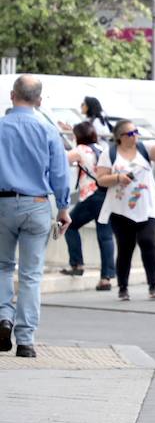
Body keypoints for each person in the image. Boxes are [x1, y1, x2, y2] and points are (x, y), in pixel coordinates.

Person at [0, 76, 72, 358]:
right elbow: (60, 174)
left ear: (11, 95)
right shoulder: (48, 130)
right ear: (40, 101)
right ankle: (26, 341)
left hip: (2, 204)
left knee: (3, 266)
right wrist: (64, 208)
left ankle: (3, 317)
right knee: (31, 275)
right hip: (38, 205)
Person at [95, 120, 155, 300]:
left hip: (147, 206)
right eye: (130, 134)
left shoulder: (143, 149)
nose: (135, 136)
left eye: (136, 132)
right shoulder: (109, 154)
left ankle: (153, 285)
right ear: (119, 137)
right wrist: (118, 177)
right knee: (125, 247)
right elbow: (101, 179)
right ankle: (123, 287)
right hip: (121, 208)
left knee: (147, 241)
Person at [60, 121, 116, 290]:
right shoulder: (101, 148)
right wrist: (72, 132)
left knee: (69, 225)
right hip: (108, 195)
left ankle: (77, 265)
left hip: (92, 197)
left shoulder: (80, 150)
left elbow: (63, 159)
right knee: (105, 236)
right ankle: (106, 278)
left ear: (79, 137)